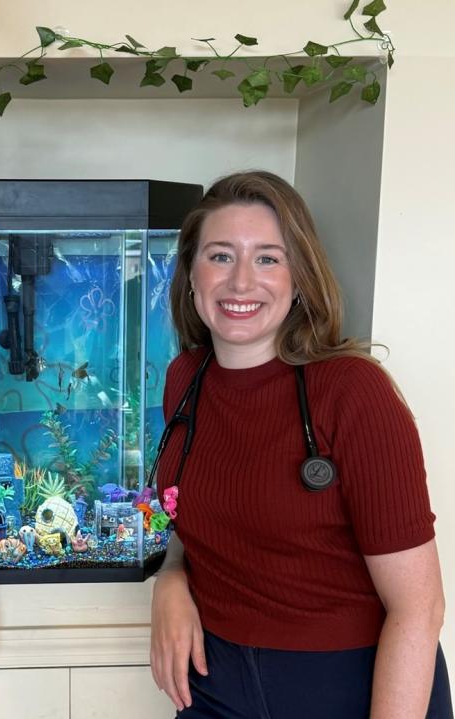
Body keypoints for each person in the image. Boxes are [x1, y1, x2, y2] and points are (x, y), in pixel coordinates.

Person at [149, 171, 452, 718]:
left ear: (299, 276)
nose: (241, 282)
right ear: (191, 275)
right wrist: (171, 580)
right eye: (220, 256)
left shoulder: (352, 392)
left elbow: (418, 608)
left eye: (268, 258)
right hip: (213, 681)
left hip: (349, 682)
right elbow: (201, 517)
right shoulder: (184, 380)